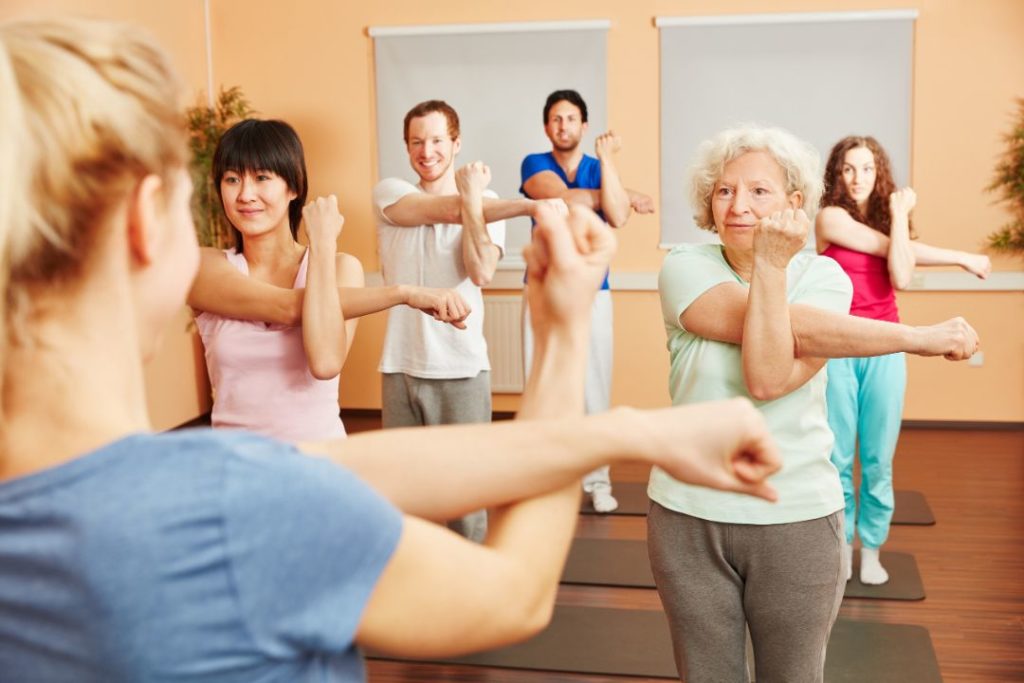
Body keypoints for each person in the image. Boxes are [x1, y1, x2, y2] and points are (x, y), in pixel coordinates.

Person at [0, 18, 785, 682]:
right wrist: (565, 335)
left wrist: (632, 433)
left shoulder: (165, 490)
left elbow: (338, 473)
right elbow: (509, 592)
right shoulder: (224, 511)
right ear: (144, 221)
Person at [651, 124, 980, 683]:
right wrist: (919, 337)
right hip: (688, 516)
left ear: (794, 204)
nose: (738, 205)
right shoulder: (686, 266)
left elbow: (772, 371)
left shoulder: (825, 275)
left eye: (759, 191)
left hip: (796, 518)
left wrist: (777, 272)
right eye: (725, 190)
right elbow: (771, 365)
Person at [187, 118, 471, 443]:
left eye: (262, 177)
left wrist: (322, 246)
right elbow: (286, 307)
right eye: (232, 179)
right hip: (236, 466)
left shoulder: (340, 267)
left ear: (293, 187)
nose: (245, 194)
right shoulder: (203, 266)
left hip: (321, 460)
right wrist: (403, 293)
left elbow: (324, 362)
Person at [373, 99, 563, 541]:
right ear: (406, 147)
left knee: (466, 497)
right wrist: (531, 207)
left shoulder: (485, 202)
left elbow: (480, 271)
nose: (427, 151)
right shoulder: (390, 192)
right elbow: (440, 210)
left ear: (456, 144)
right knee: (403, 495)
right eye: (417, 142)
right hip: (400, 366)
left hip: (461, 368)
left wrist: (478, 200)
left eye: (437, 140)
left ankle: (472, 596)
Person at [816, 135, 992, 585]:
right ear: (836, 174)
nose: (858, 178)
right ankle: (837, 549)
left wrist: (898, 219)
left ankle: (870, 548)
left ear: (881, 175)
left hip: (888, 346)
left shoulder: (889, 226)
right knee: (835, 457)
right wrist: (959, 256)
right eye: (849, 169)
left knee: (877, 459)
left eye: (868, 169)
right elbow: (886, 252)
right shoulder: (829, 217)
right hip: (839, 346)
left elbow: (901, 275)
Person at [520, 88, 655, 513]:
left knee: (593, 385)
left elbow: (615, 218)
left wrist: (611, 168)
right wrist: (620, 194)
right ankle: (544, 478)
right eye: (556, 119)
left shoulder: (600, 167)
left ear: (584, 125)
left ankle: (596, 481)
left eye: (571, 119)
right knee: (541, 382)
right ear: (547, 126)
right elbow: (559, 197)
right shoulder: (534, 163)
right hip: (542, 288)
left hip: (595, 291)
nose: (563, 126)